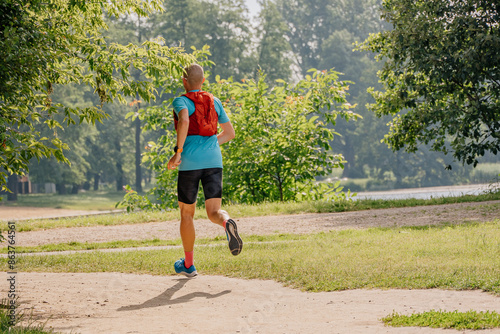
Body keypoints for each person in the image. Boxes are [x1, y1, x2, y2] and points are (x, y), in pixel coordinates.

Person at [167, 63, 243, 277]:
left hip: (190, 163)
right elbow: (229, 133)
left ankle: (189, 265)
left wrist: (179, 151)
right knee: (214, 212)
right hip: (213, 161)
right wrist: (209, 146)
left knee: (187, 214)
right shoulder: (214, 101)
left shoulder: (180, 100)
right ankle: (227, 222)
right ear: (203, 81)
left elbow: (183, 120)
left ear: (184, 81)